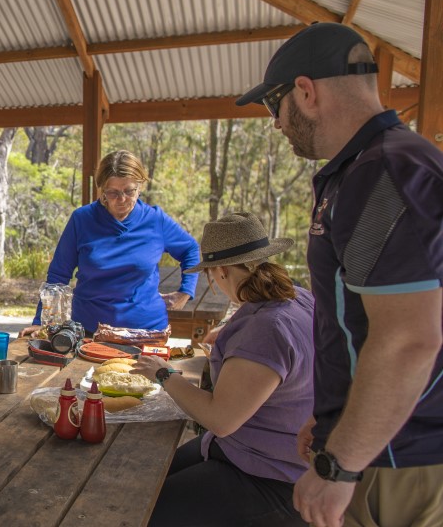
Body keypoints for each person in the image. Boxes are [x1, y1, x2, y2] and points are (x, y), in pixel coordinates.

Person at [236, 22, 443, 527]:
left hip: (399, 456)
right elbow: (363, 322)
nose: (276, 124)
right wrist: (332, 415)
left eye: (273, 106)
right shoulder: (368, 168)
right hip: (379, 442)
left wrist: (340, 463)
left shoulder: (383, 175)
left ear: (305, 92)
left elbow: (407, 339)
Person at [132, 213, 315, 527]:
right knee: (146, 479)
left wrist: (163, 373)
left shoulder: (264, 330)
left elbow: (221, 419)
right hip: (258, 451)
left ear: (221, 271)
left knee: (137, 510)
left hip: (269, 476)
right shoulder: (300, 297)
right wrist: (233, 329)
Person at [20, 150, 199, 337]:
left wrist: (185, 291)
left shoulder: (156, 220)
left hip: (147, 332)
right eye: (113, 193)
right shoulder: (82, 220)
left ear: (140, 186)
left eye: (129, 191)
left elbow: (191, 249)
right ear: (102, 189)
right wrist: (41, 322)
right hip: (89, 330)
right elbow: (58, 275)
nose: (121, 200)